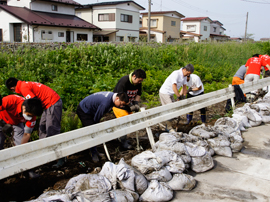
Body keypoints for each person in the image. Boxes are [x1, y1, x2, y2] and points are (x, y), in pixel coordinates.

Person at [5, 78, 64, 168]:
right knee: (42, 129)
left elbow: (33, 104)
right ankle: (46, 157)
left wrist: (31, 116)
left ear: (12, 88)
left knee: (52, 132)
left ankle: (61, 158)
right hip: (46, 105)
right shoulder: (24, 85)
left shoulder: (23, 88)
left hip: (52, 103)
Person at [76, 92, 129, 163]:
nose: (121, 106)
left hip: (92, 109)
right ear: (117, 98)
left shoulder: (113, 97)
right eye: (121, 104)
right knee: (91, 131)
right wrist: (96, 128)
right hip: (84, 109)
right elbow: (97, 118)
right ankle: (93, 153)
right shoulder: (105, 103)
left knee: (93, 130)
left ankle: (93, 150)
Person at [0, 95, 43, 178]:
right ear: (24, 108)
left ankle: (28, 169)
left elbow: (26, 134)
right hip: (1, 119)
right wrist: (2, 123)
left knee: (21, 143)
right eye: (29, 115)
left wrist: (21, 149)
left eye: (32, 116)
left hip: (16, 123)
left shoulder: (32, 116)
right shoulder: (10, 101)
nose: (30, 117)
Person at [113, 69, 146, 149]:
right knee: (123, 122)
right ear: (134, 76)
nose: (140, 82)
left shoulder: (138, 83)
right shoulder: (124, 81)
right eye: (139, 80)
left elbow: (138, 94)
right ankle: (122, 142)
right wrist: (130, 106)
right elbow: (121, 97)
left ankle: (121, 138)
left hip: (128, 106)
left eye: (141, 81)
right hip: (119, 105)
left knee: (128, 124)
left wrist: (136, 104)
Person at [159, 64, 194, 130]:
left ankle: (168, 124)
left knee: (174, 109)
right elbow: (174, 86)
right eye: (188, 73)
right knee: (171, 109)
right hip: (165, 92)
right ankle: (168, 127)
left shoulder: (184, 76)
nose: (188, 75)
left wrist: (184, 96)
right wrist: (178, 96)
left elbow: (184, 86)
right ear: (184, 69)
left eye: (189, 74)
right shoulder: (176, 74)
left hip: (171, 94)